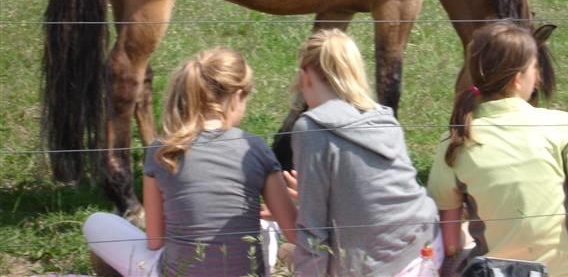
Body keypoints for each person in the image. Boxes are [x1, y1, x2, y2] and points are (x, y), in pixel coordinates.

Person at [83, 47, 297, 277]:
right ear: (237, 96)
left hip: (178, 270)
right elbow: (294, 231)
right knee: (267, 223)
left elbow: (155, 241)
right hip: (249, 271)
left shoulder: (161, 149)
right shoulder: (255, 147)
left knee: (97, 222)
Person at [427, 22, 568, 277]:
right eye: (535, 68)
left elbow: (450, 243)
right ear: (519, 78)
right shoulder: (561, 124)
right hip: (566, 272)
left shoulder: (452, 141)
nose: (538, 76)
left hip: (492, 272)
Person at [290, 29, 442, 276]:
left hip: (376, 266)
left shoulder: (311, 128)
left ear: (305, 77)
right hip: (427, 245)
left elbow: (313, 229)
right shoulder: (382, 117)